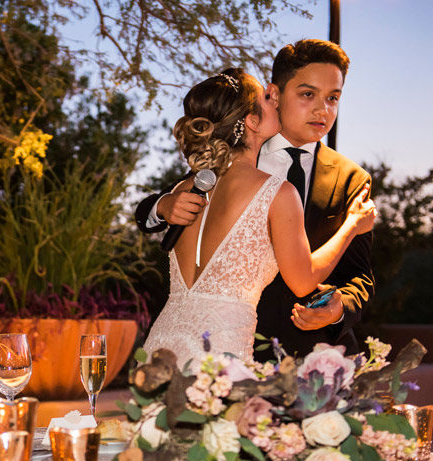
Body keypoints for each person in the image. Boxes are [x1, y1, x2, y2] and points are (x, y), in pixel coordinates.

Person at [141, 40, 373, 360]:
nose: (323, 109)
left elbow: (359, 276)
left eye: (333, 98)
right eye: (307, 94)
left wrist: (339, 308)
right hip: (226, 356)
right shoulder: (275, 191)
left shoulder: (194, 182)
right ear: (251, 119)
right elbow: (303, 278)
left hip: (163, 346)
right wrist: (353, 224)